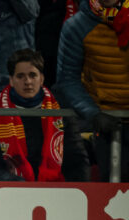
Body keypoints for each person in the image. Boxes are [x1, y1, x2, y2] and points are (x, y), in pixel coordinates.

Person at [0, 48, 90, 181]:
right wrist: (19, 185)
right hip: (10, 190)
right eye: (20, 76)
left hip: (56, 191)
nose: (27, 81)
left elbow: (78, 162)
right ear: (11, 80)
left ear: (42, 79)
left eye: (33, 75)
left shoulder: (61, 111)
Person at [57, 0, 129, 182]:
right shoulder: (77, 26)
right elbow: (68, 79)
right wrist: (92, 114)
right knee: (112, 196)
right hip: (107, 122)